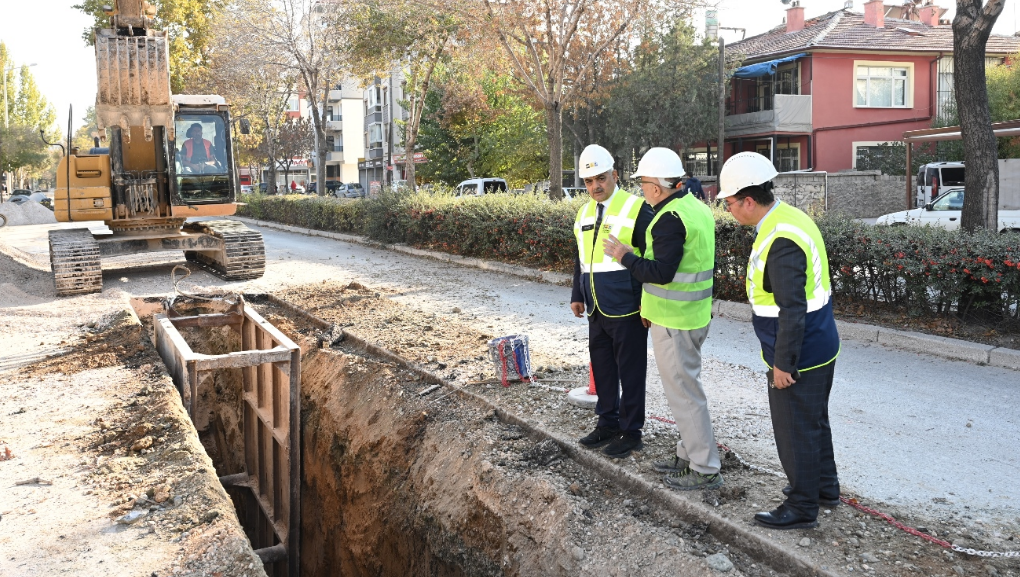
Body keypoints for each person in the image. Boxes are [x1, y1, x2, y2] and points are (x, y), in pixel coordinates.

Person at [717, 152, 841, 530]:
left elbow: (792, 307)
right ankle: (824, 489)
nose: (730, 210)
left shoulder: (781, 238)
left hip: (799, 352)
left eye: (730, 203)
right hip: (819, 345)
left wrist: (784, 363)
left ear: (749, 201)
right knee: (813, 422)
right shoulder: (787, 218)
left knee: (794, 430)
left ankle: (802, 507)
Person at [603, 148, 721, 490]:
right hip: (690, 315)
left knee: (685, 393)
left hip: (676, 320)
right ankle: (687, 454)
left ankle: (705, 467)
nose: (641, 189)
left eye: (643, 183)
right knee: (684, 390)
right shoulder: (695, 207)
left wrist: (625, 257)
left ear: (656, 186)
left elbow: (661, 273)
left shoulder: (668, 219)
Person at [571, 144, 655, 459]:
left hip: (628, 306)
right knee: (603, 368)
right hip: (595, 305)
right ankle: (607, 422)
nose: (595, 186)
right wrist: (577, 294)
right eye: (589, 181)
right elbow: (580, 258)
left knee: (631, 371)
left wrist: (648, 304)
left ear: (615, 175)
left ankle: (631, 431)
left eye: (601, 178)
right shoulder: (583, 212)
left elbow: (651, 260)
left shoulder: (637, 208)